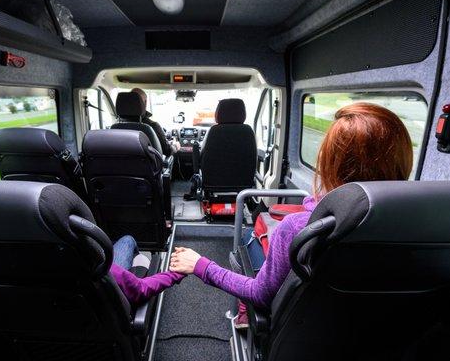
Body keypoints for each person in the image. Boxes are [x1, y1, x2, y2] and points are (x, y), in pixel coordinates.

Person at [169, 102, 413, 310]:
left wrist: (200, 264)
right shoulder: (420, 224)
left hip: (300, 341)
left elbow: (260, 293)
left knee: (248, 236)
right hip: (380, 350)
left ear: (330, 161)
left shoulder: (301, 227)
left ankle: (244, 315)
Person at [110, 235, 186, 306]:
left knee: (127, 239)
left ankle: (136, 265)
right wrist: (176, 273)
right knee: (128, 240)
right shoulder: (108, 271)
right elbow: (142, 289)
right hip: (115, 302)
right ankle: (136, 271)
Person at [131, 88, 180, 157]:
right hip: (148, 167)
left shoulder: (115, 128)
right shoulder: (151, 126)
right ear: (145, 103)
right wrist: (175, 145)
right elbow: (167, 151)